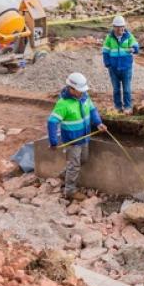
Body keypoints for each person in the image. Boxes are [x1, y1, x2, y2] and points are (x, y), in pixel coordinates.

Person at [47, 72, 108, 201]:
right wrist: (53, 141)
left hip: (84, 137)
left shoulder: (85, 97)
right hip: (72, 141)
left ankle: (65, 174)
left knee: (83, 159)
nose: (82, 92)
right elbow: (52, 122)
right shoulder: (63, 104)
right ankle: (69, 191)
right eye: (79, 90)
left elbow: (93, 110)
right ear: (71, 88)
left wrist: (98, 123)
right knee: (74, 165)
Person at [102, 15, 139, 114]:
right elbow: (105, 51)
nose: (120, 29)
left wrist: (133, 49)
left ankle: (127, 107)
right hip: (114, 69)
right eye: (118, 27)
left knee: (126, 89)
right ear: (114, 27)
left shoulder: (128, 36)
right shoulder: (109, 38)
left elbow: (136, 46)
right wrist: (107, 64)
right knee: (116, 89)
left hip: (126, 68)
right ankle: (118, 107)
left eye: (122, 26)